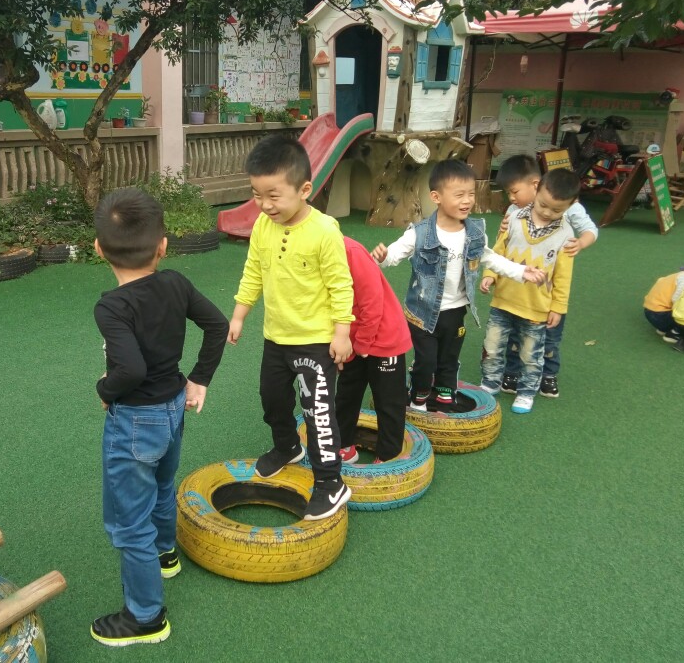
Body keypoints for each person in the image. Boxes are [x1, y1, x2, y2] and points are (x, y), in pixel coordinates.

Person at [91, 187, 228, 647]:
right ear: (163, 246)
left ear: (98, 248)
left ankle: (146, 617)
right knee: (163, 486)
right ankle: (165, 553)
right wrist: (199, 379)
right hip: (172, 408)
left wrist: (104, 390)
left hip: (135, 421)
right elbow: (217, 325)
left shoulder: (112, 306)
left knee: (128, 523)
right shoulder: (175, 283)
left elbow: (130, 369)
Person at [229, 133, 354, 521]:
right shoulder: (263, 226)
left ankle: (331, 482)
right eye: (257, 195)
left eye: (273, 195)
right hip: (276, 339)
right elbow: (254, 272)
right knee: (272, 399)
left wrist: (342, 332)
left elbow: (340, 285)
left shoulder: (324, 231)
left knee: (317, 413)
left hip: (315, 342)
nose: (265, 205)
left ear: (304, 190)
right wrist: (239, 314)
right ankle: (287, 446)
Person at [372, 159, 544, 412]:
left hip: (456, 311)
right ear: (436, 197)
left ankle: (445, 394)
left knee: (449, 358)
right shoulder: (420, 232)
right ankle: (418, 397)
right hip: (422, 314)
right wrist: (382, 256)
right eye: (459, 195)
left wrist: (521, 271)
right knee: (426, 361)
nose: (467, 201)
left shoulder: (474, 232)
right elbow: (395, 254)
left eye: (471, 194)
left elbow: (490, 258)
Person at [494, 155, 598, 398]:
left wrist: (580, 243)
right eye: (508, 193)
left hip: (547, 289)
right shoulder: (516, 211)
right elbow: (503, 242)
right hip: (519, 290)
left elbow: (590, 230)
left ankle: (548, 374)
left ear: (535, 184)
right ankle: (513, 372)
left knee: (549, 336)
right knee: (515, 332)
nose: (511, 198)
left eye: (514, 191)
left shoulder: (566, 205)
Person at [480, 168, 580, 414]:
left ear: (570, 206)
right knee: (492, 345)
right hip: (503, 300)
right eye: (543, 204)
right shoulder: (513, 219)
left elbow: (563, 277)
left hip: (537, 308)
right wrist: (490, 275)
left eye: (556, 210)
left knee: (531, 354)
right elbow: (497, 252)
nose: (547, 212)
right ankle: (490, 383)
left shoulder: (566, 236)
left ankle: (526, 392)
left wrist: (558, 307)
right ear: (537, 190)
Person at [336, 236, 413, 464]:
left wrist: (362, 344)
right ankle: (343, 445)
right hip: (351, 340)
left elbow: (372, 303)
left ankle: (388, 455)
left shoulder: (351, 252)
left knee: (388, 401)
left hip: (384, 337)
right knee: (346, 394)